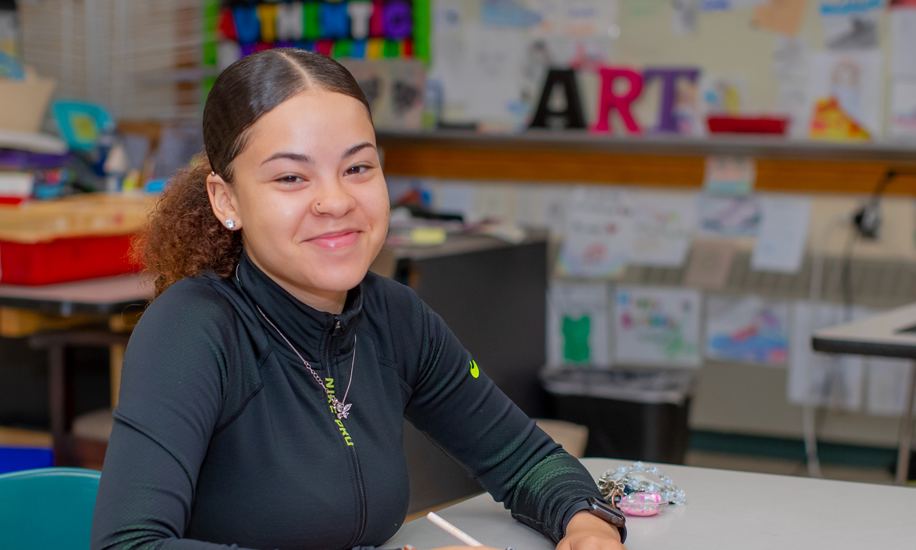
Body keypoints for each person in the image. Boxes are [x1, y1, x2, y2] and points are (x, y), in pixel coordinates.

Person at [90, 48, 628, 550]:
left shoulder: (395, 316)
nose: (336, 200)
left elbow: (524, 458)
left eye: (358, 168)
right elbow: (130, 543)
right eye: (292, 176)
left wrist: (587, 527)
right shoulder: (190, 330)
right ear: (226, 199)